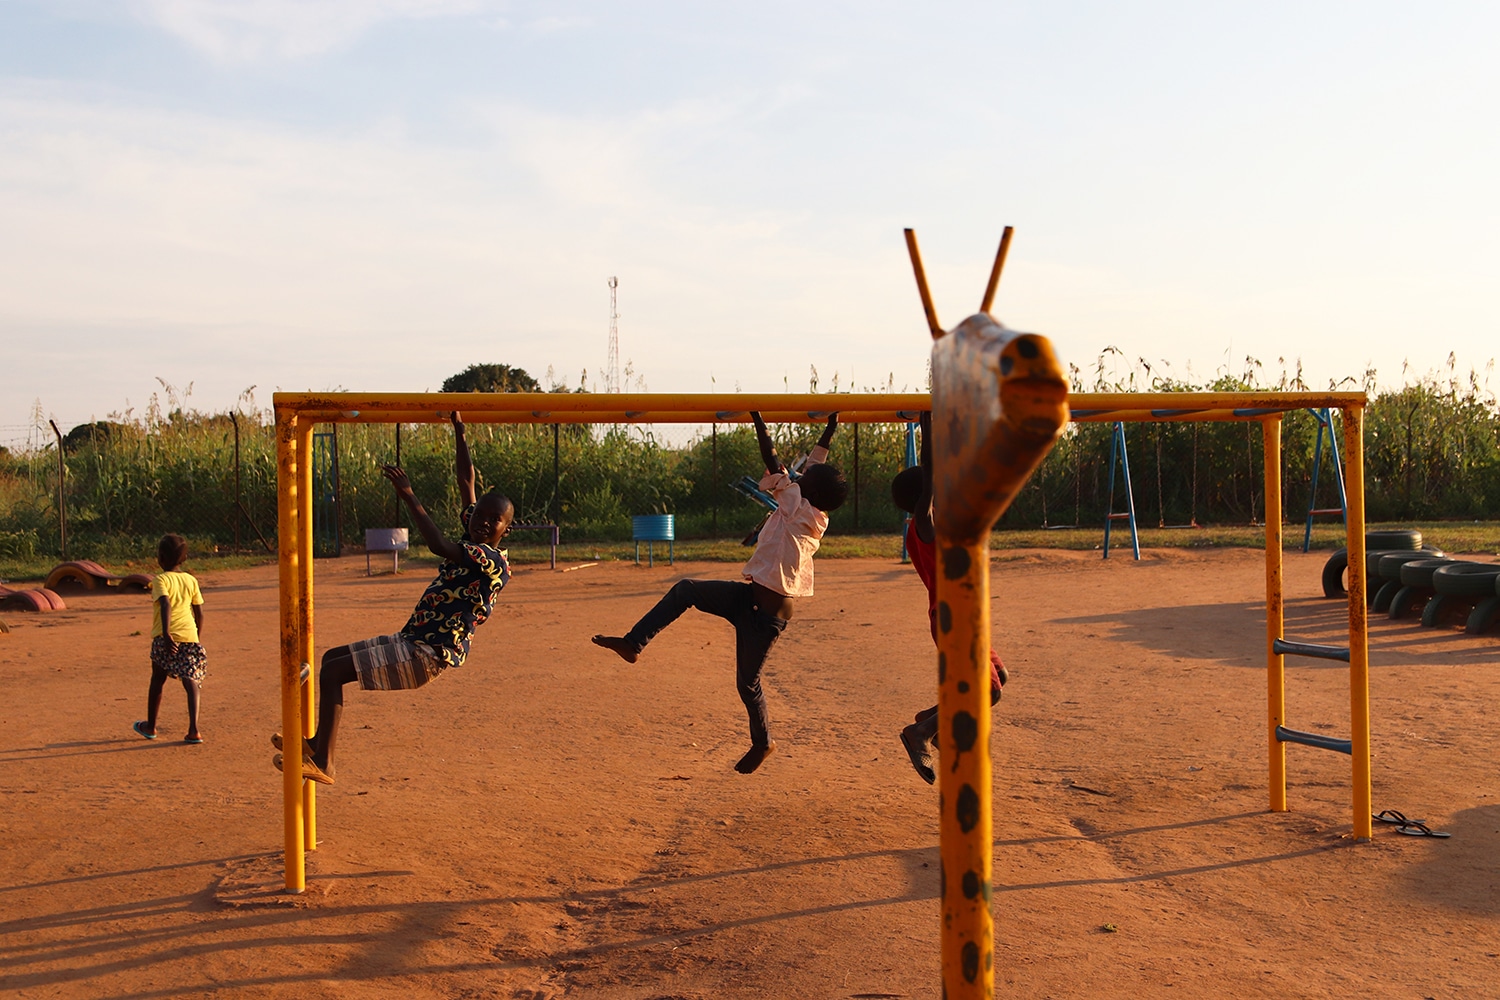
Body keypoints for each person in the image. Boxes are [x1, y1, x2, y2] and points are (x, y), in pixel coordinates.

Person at [592, 412, 846, 774]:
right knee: (686, 590)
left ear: (812, 492)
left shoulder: (796, 504)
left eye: (805, 477)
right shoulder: (806, 503)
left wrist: (757, 419)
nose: (799, 474)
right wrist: (831, 427)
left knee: (748, 683)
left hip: (765, 617)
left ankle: (764, 742)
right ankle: (634, 643)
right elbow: (816, 464)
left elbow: (772, 460)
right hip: (749, 599)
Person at [274, 411, 514, 785]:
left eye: (493, 519)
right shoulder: (475, 530)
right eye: (478, 514)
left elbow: (438, 544)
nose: (482, 521)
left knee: (334, 672)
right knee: (330, 659)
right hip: (411, 641)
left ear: (506, 530)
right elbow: (466, 480)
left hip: (426, 655)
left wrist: (409, 495)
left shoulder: (491, 559)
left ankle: (325, 762)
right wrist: (460, 432)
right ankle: (319, 744)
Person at [890, 411, 1006, 785]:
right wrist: (928, 428)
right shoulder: (925, 526)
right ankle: (921, 733)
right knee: (986, 691)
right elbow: (932, 474)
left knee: (998, 679)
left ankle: (933, 722)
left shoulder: (937, 521)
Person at [133, 533, 207, 744]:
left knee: (158, 679)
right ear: (184, 558)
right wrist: (196, 637)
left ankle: (151, 726)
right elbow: (199, 612)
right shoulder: (191, 580)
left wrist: (166, 634)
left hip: (165, 637)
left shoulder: (160, 580)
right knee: (191, 680)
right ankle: (194, 729)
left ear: (161, 558)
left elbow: (165, 604)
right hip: (189, 636)